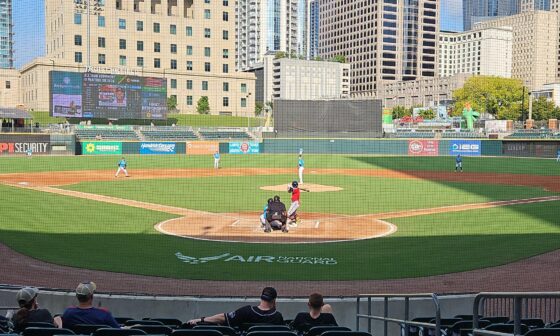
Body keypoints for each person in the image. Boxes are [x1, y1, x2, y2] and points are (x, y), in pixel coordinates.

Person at [186, 287, 284, 328]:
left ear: (261, 297)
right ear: (274, 300)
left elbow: (223, 318)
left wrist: (201, 319)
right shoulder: (277, 317)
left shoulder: (247, 311)